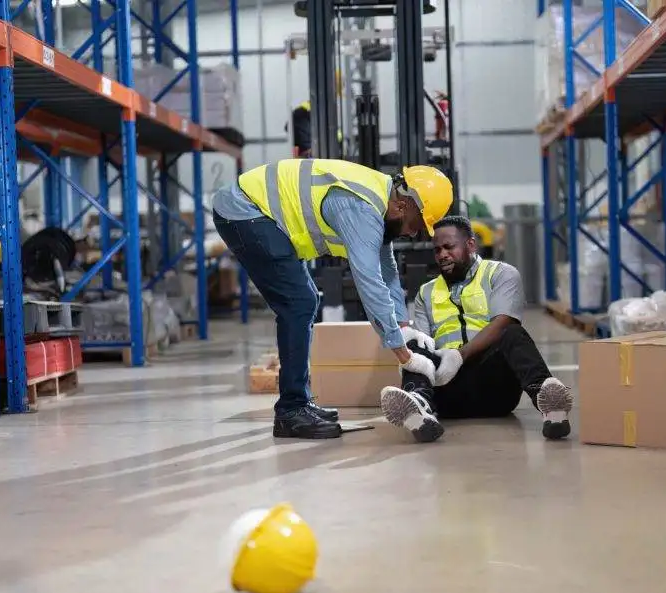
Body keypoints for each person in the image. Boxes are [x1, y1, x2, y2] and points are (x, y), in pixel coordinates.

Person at [212, 158, 453, 440]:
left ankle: (299, 402)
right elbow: (369, 283)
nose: (414, 234)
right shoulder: (361, 209)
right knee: (298, 303)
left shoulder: (379, 199)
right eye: (416, 225)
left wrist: (403, 324)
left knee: (305, 300)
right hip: (244, 210)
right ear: (403, 206)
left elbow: (387, 271)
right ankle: (291, 411)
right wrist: (404, 355)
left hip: (258, 212)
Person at [379, 215, 574, 443]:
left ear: (470, 244)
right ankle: (420, 406)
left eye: (449, 247)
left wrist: (460, 355)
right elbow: (425, 345)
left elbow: (504, 320)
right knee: (416, 341)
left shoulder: (501, 274)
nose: (442, 255)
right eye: (437, 250)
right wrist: (434, 358)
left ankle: (550, 406)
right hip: (447, 392)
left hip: (496, 389)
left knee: (511, 332)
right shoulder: (426, 292)